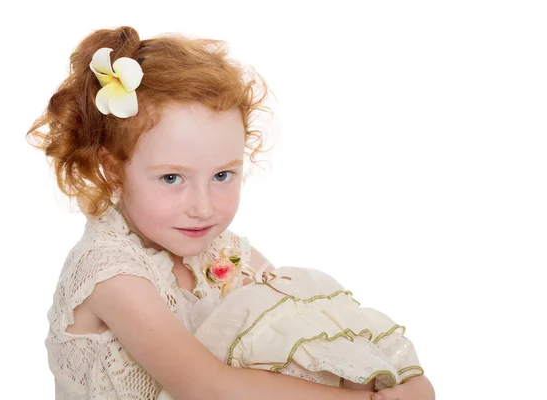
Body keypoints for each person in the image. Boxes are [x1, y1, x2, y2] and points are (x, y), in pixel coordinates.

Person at [27, 26, 435, 400]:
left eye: (223, 175)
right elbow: (208, 388)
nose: (203, 207)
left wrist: (408, 381)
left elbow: (316, 330)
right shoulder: (109, 273)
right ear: (113, 170)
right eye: (172, 178)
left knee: (294, 299)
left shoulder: (222, 253)